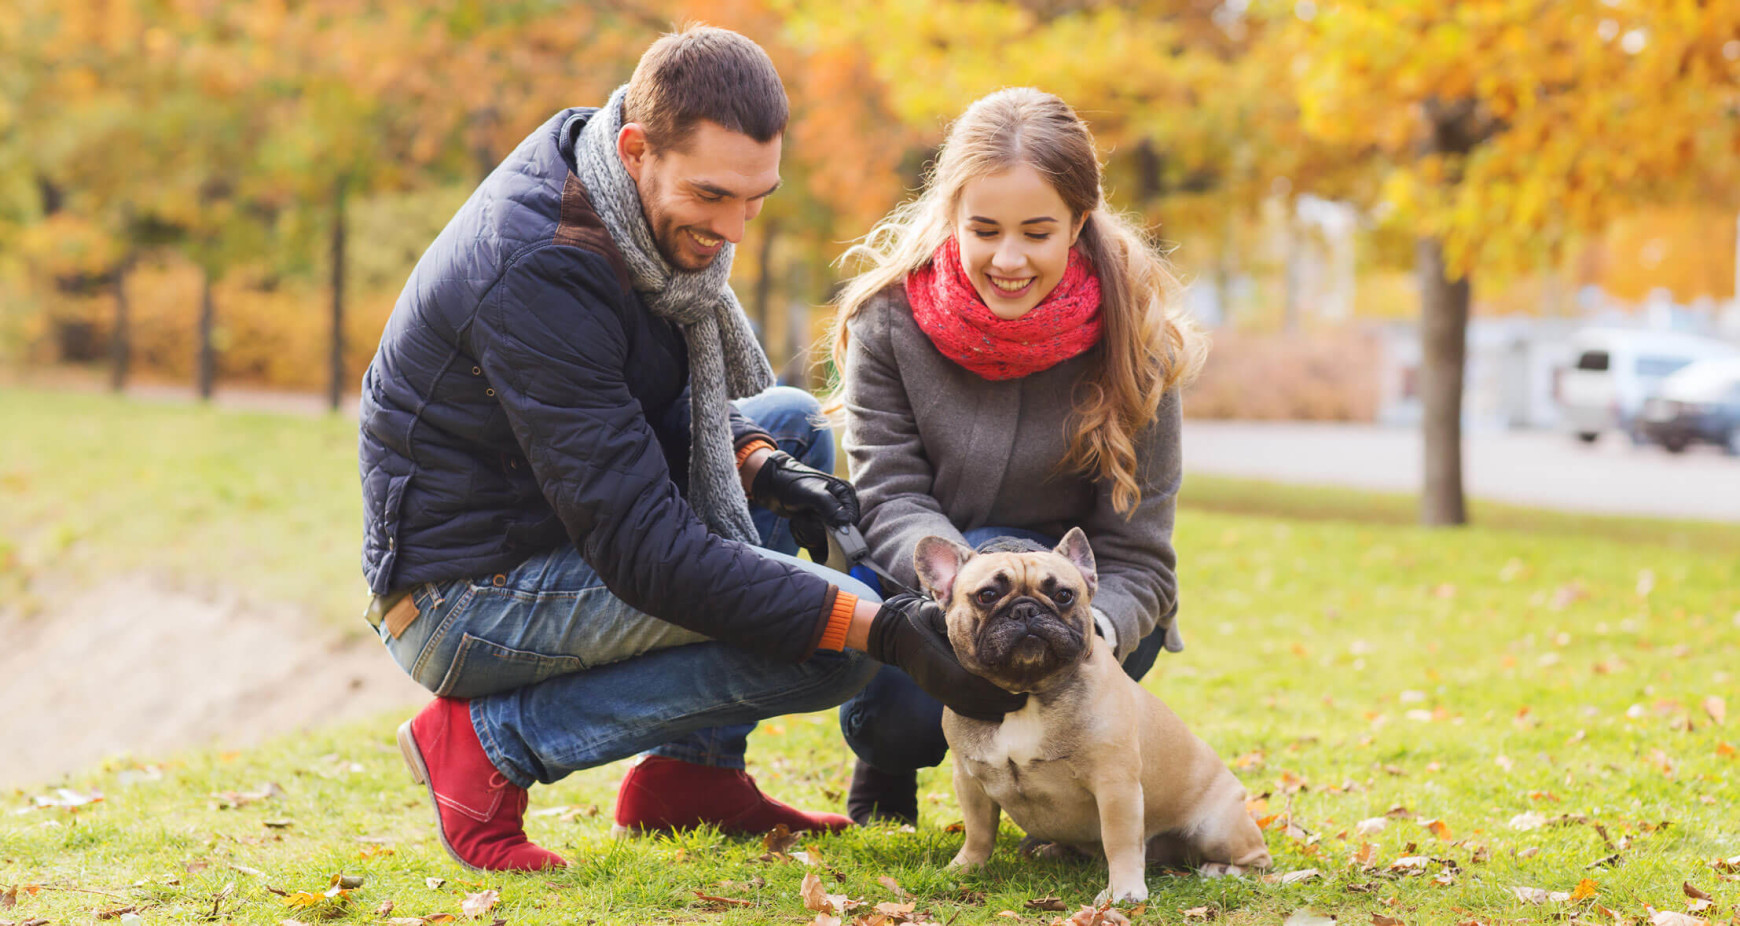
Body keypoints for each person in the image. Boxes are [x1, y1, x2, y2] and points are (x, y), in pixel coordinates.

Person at [357, 26, 1023, 873]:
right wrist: (882, 627)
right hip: (461, 596)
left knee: (783, 421)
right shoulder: (540, 268)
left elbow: (658, 406)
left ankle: (691, 779)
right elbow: (646, 553)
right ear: (638, 150)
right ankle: (488, 746)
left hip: (552, 528)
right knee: (833, 653)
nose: (734, 226)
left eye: (756, 198)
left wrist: (759, 464)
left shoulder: (614, 187)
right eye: (713, 195)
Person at [825, 87, 1209, 825]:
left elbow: (1141, 554)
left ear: (1079, 224)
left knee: (1071, 694)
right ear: (951, 220)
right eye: (985, 229)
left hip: (1082, 602)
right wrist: (971, 586)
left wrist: (1090, 626)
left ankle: (1062, 802)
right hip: (939, 582)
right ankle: (887, 759)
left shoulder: (1140, 344)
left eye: (1037, 232)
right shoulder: (886, 324)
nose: (1008, 258)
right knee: (899, 716)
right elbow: (890, 498)